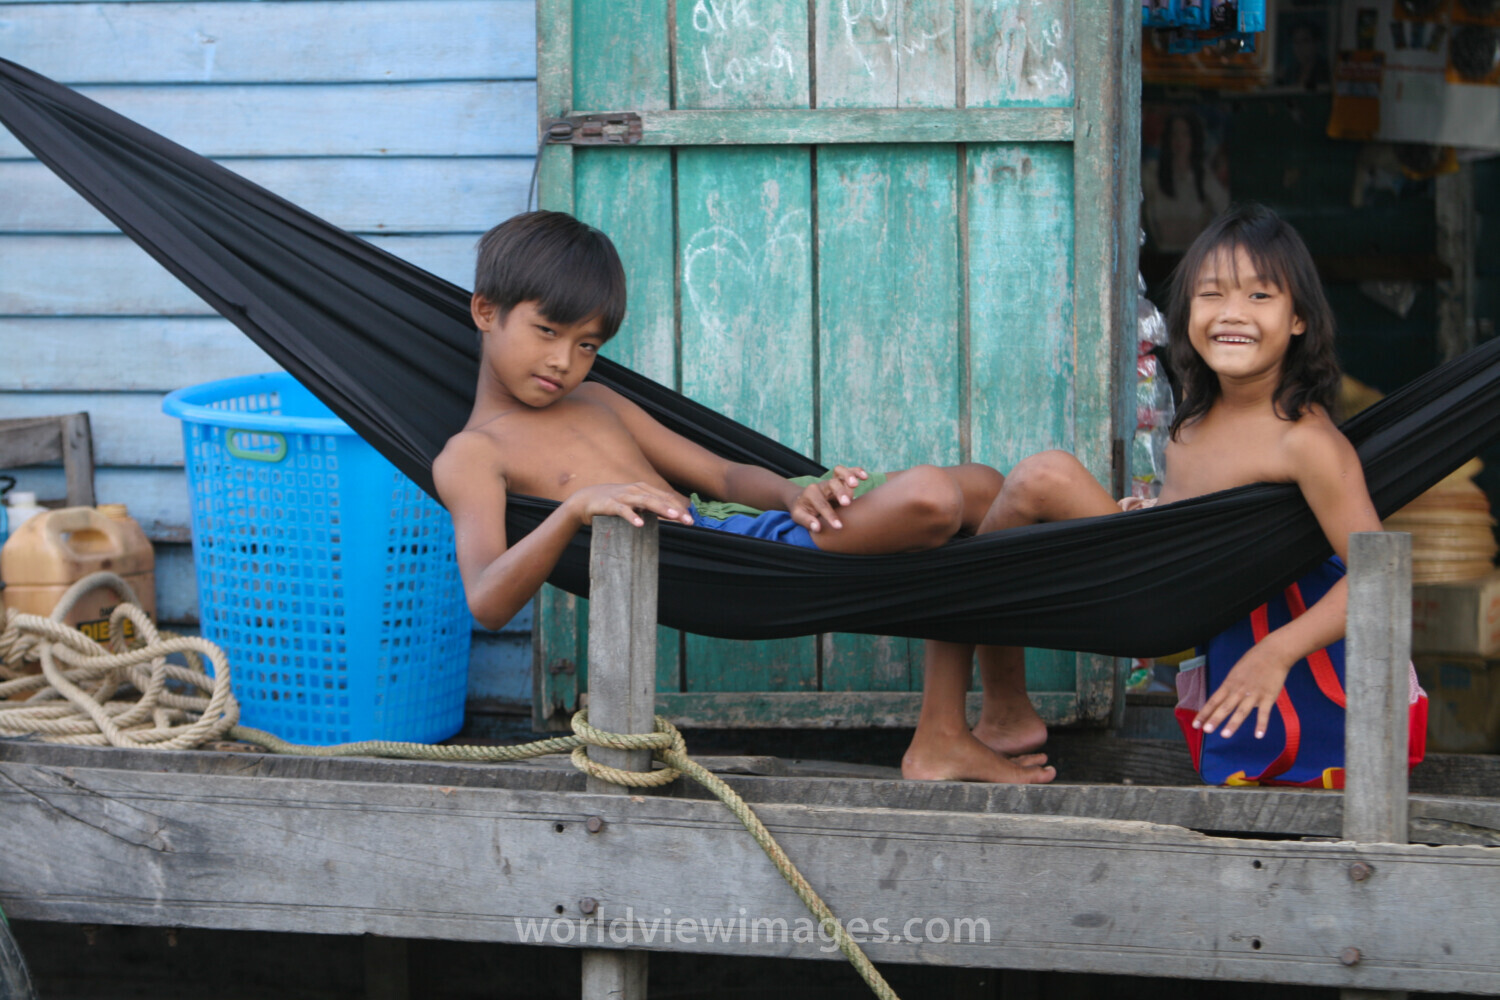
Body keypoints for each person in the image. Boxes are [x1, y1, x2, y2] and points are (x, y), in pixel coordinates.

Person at [903, 204, 1379, 782]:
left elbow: (1377, 576)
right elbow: (1203, 519)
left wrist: (1275, 653)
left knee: (1042, 477)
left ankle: (980, 717)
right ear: (1186, 312)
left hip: (1176, 609)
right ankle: (990, 716)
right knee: (979, 500)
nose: (1233, 313)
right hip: (1158, 577)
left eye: (1259, 295)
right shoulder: (1195, 418)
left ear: (1299, 318)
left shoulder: (1306, 442)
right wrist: (1153, 512)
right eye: (1211, 294)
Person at [434, 210, 1014, 668]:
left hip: (741, 527)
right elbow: (487, 601)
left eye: (587, 345)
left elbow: (722, 475)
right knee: (932, 497)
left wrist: (793, 494)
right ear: (485, 311)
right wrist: (573, 510)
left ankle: (988, 710)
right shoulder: (473, 455)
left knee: (985, 486)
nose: (564, 361)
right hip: (721, 563)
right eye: (546, 331)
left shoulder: (596, 400)